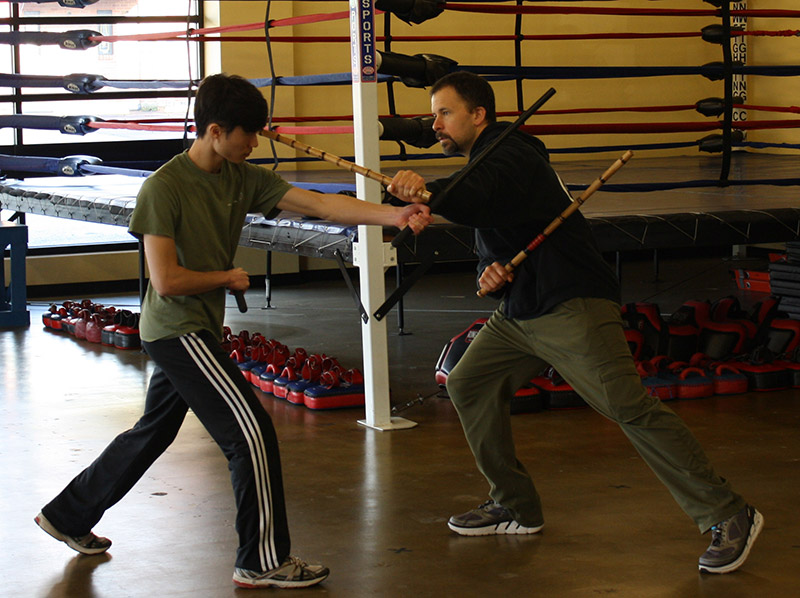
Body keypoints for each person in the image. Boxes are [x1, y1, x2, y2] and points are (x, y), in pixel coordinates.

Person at [34, 73, 432, 590]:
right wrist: (226, 277)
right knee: (251, 433)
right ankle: (261, 560)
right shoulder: (163, 188)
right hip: (177, 330)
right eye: (249, 133)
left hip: (198, 326)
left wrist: (394, 216)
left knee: (150, 433)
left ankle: (67, 514)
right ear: (216, 130)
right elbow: (166, 280)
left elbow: (318, 205)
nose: (256, 142)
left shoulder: (240, 175)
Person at [387, 71, 762, 574]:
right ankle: (515, 504)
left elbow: (475, 195)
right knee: (470, 384)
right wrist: (488, 272)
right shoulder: (484, 162)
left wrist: (427, 191)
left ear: (479, 115)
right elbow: (489, 227)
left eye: (444, 112)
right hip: (520, 311)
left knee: (628, 407)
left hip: (571, 304)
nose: (435, 123)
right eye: (432, 114)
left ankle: (729, 513)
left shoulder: (512, 153)